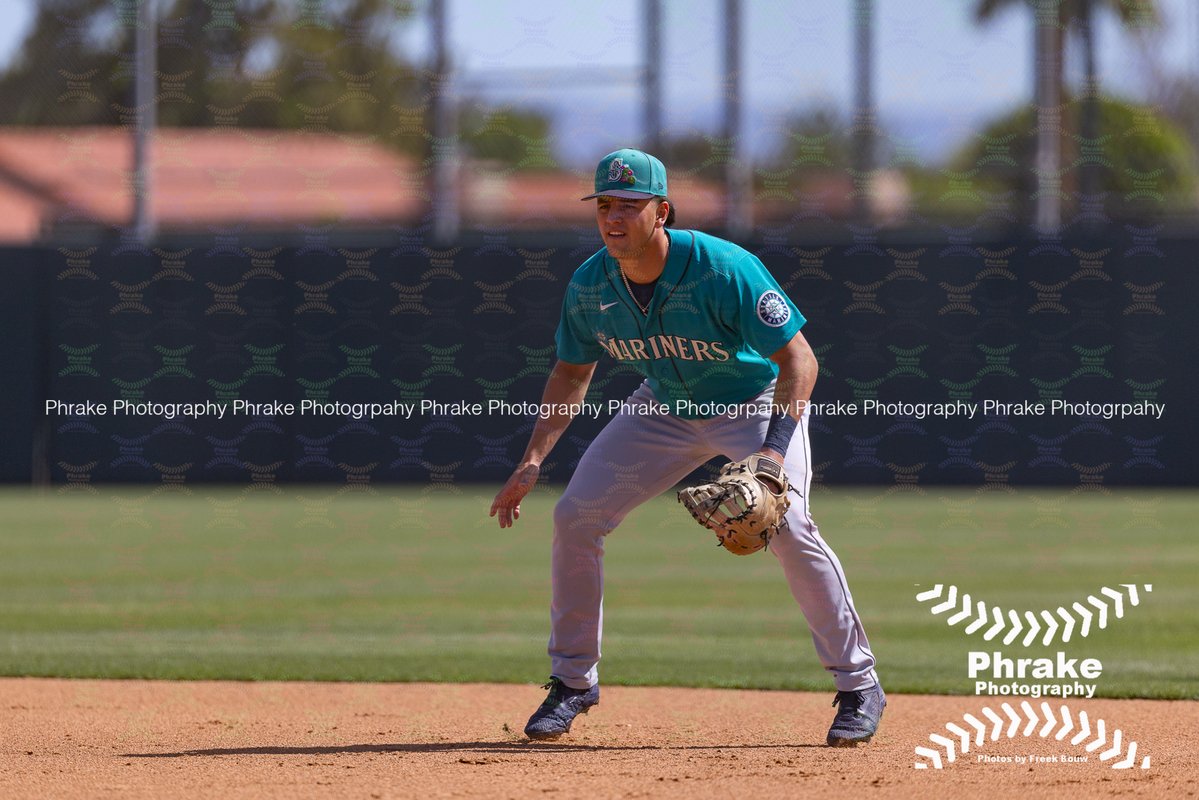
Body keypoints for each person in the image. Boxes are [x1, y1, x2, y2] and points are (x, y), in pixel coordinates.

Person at [489, 148, 884, 747]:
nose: (613, 217)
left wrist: (774, 454)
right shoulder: (590, 285)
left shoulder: (724, 269)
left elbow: (799, 359)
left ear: (662, 211)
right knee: (576, 516)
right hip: (664, 407)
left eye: (629, 204)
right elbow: (572, 373)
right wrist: (533, 459)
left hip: (751, 403)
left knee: (791, 524)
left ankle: (859, 684)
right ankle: (573, 683)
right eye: (604, 205)